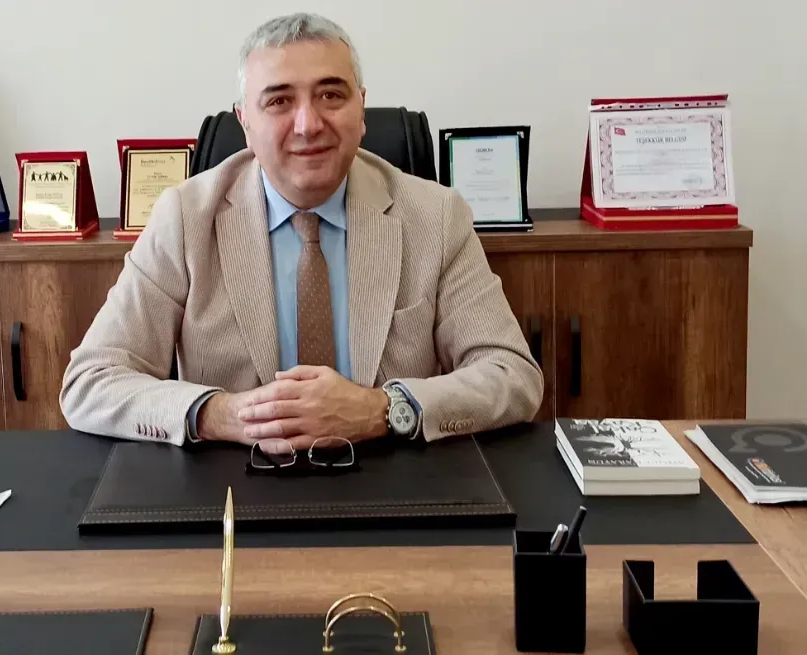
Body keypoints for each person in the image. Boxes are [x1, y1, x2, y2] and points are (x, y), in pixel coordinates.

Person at [59, 12, 544, 451]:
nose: (309, 125)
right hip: (234, 485)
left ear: (361, 109)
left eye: (331, 95)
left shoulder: (434, 216)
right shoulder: (185, 219)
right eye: (279, 101)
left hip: (393, 479)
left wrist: (381, 410)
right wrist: (224, 415)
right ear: (245, 122)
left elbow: (512, 375)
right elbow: (90, 382)